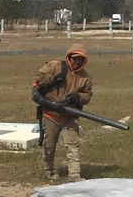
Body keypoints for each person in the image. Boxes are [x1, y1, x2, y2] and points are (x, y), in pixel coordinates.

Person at [32, 47, 93, 181]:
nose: (76, 62)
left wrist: (77, 97)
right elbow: (38, 80)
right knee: (50, 145)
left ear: (84, 61)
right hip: (50, 114)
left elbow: (87, 96)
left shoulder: (85, 78)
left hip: (70, 116)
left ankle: (74, 175)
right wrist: (54, 78)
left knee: (73, 146)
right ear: (69, 57)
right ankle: (49, 169)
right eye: (74, 58)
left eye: (80, 59)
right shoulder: (54, 66)